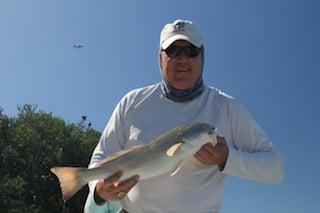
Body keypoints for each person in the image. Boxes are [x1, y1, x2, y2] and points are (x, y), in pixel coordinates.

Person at [84, 19, 284, 213]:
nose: (182, 58)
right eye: (173, 51)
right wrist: (99, 192)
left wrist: (227, 158)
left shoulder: (227, 107)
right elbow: (101, 157)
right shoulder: (132, 102)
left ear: (202, 57)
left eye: (191, 51)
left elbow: (275, 168)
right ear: (160, 58)